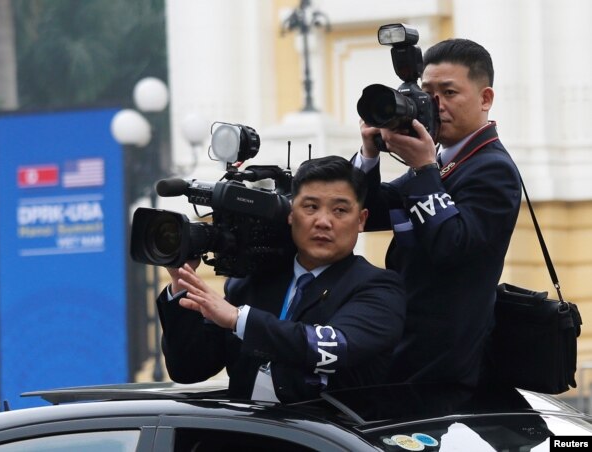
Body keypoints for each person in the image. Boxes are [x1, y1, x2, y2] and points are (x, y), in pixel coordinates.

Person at [157, 156, 406, 403]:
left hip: (330, 439)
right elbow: (188, 370)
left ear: (361, 220)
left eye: (340, 210)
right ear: (290, 213)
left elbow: (331, 348)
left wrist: (238, 319)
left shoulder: (379, 288)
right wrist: (181, 281)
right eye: (310, 207)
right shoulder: (250, 282)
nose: (323, 222)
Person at [354, 38, 522, 387]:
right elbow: (370, 213)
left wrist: (424, 170)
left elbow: (451, 245)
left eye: (449, 93)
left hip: (443, 358)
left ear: (485, 98)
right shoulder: (443, 160)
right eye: (427, 94)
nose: (435, 106)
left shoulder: (492, 168)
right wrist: (369, 155)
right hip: (405, 342)